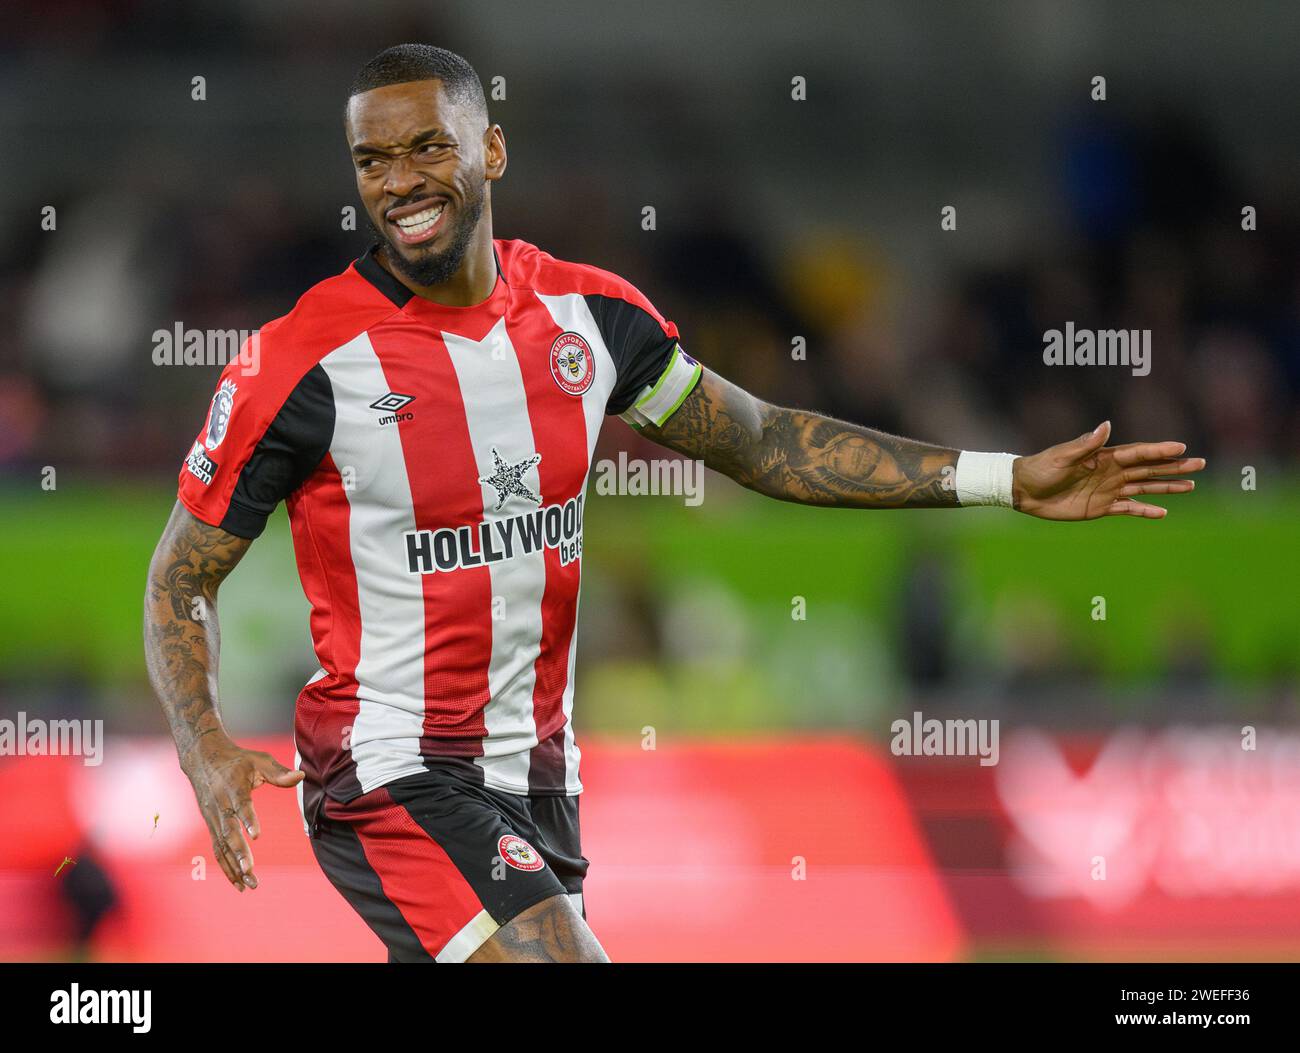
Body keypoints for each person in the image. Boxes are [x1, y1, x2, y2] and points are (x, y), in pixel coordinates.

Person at [144, 43, 1204, 963]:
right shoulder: (300, 364)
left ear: (491, 151)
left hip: (539, 781)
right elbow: (180, 574)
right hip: (391, 774)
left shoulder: (590, 318)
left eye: (428, 146)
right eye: (373, 160)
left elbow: (762, 443)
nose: (400, 180)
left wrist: (1003, 479)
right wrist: (202, 744)